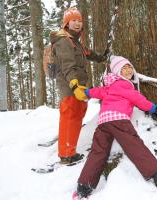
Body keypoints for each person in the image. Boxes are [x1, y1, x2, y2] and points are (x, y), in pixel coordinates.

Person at [75, 56, 157, 198]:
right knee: (134, 146)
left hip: (103, 122)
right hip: (119, 120)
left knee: (98, 151)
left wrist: (87, 92)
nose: (128, 70)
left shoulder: (109, 86)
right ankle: (156, 174)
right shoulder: (124, 85)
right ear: (117, 72)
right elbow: (139, 100)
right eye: (123, 68)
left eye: (129, 67)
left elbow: (97, 91)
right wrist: (154, 108)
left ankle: (84, 185)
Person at [51, 7, 108, 164]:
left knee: (76, 118)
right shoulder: (63, 41)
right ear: (66, 24)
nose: (77, 23)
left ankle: (70, 151)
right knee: (70, 118)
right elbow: (67, 65)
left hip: (79, 87)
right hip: (70, 88)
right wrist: (75, 86)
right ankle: (66, 154)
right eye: (73, 20)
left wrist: (102, 58)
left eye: (79, 21)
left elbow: (88, 54)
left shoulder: (75, 41)